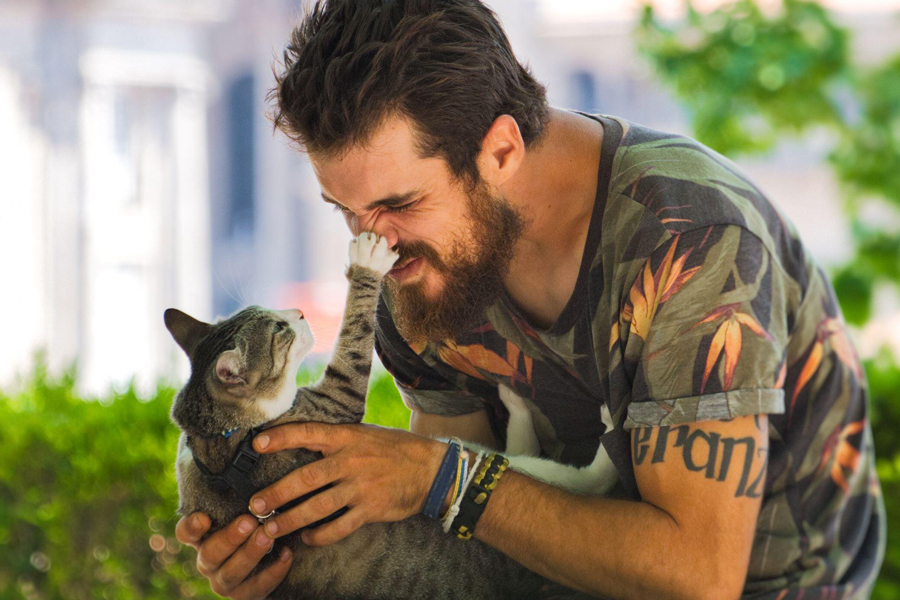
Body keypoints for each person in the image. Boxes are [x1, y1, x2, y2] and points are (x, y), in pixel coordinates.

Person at [174, 1, 886, 598]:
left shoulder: (691, 240)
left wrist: (437, 477)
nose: (376, 246)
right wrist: (288, 553)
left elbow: (696, 576)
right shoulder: (422, 275)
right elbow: (455, 549)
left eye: (401, 204)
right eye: (347, 212)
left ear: (502, 151)